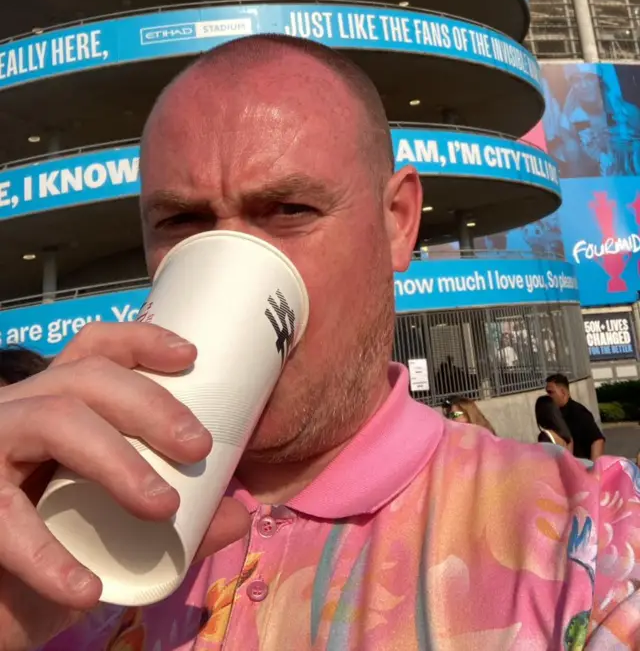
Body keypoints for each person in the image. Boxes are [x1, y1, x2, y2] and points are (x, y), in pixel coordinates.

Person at [0, 35, 636, 650]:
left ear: (397, 224)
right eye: (182, 222)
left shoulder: (598, 538)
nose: (235, 261)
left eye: (290, 210)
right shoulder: (54, 527)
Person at [546, 372, 606, 461]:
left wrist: (593, 470)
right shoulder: (555, 414)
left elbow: (597, 440)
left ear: (563, 392)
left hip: (581, 466)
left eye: (551, 392)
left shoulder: (578, 412)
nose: (548, 396)